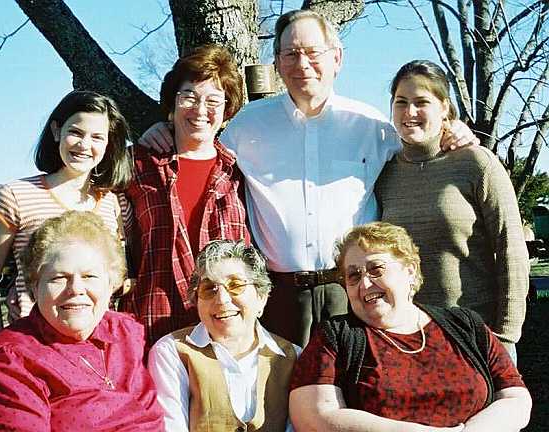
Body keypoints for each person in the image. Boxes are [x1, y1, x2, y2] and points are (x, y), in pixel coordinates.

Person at [138, 10, 478, 347]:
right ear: (277, 62)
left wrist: (452, 130)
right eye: (291, 53)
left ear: (337, 58)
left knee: (357, 384)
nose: (302, 64)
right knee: (284, 394)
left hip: (352, 290)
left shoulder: (371, 126)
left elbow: (418, 146)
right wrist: (164, 127)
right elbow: (201, 142)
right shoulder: (246, 125)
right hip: (279, 296)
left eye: (313, 52)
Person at [289, 222, 531, 431]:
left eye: (376, 269)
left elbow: (515, 397)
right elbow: (313, 417)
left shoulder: (465, 325)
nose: (364, 283)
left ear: (410, 271)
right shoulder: (335, 336)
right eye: (353, 275)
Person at [0, 211, 164, 431]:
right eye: (59, 278)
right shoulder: (9, 360)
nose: (76, 289)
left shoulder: (125, 333)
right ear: (35, 286)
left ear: (112, 284)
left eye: (90, 276)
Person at [375, 60, 529, 362]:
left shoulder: (476, 164)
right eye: (401, 102)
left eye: (422, 103)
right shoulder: (384, 173)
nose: (409, 113)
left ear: (444, 107)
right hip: (405, 339)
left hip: (474, 335)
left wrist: (505, 336)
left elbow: (511, 250)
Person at [119, 44, 250, 347]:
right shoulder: (136, 165)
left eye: (214, 100)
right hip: (153, 321)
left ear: (227, 110)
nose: (201, 110)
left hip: (224, 321)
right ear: (172, 103)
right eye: (189, 96)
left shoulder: (238, 172)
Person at [0, 90, 132, 338]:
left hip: (96, 344)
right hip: (32, 342)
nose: (84, 145)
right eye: (76, 133)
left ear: (108, 143)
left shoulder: (114, 204)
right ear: (57, 131)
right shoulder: (15, 195)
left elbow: (120, 279)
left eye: (97, 137)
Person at [148, 240, 299, 431]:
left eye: (235, 285)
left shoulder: (293, 356)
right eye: (209, 288)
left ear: (261, 297)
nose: (222, 299)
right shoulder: (171, 353)